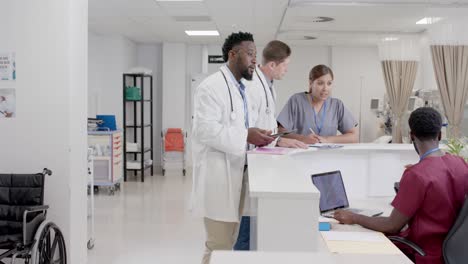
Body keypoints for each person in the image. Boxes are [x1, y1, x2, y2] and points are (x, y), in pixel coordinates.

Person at [333, 107, 468, 264]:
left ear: (411, 136)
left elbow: (392, 226)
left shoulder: (417, 175)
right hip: (454, 254)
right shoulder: (460, 163)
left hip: (423, 254)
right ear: (439, 134)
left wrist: (354, 217)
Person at [190, 32, 275, 264]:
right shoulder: (211, 87)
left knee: (229, 244)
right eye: (250, 54)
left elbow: (237, 126)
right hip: (218, 177)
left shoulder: (241, 89)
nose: (254, 61)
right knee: (219, 245)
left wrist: (257, 134)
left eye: (256, 55)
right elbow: (205, 130)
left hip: (237, 174)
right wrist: (247, 135)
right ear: (233, 54)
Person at [233, 40, 307, 251]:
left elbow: (266, 123)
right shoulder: (253, 86)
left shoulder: (267, 86)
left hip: (260, 157)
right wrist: (279, 140)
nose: (286, 70)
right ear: (272, 65)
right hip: (250, 160)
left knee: (254, 220)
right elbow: (252, 127)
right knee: (248, 221)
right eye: (285, 65)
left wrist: (280, 139)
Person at [277, 64, 358, 144]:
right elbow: (281, 132)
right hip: (301, 153)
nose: (325, 88)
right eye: (320, 83)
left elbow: (354, 136)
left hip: (328, 154)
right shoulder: (296, 101)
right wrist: (303, 139)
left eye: (329, 83)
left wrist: (327, 139)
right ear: (311, 83)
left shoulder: (337, 105)